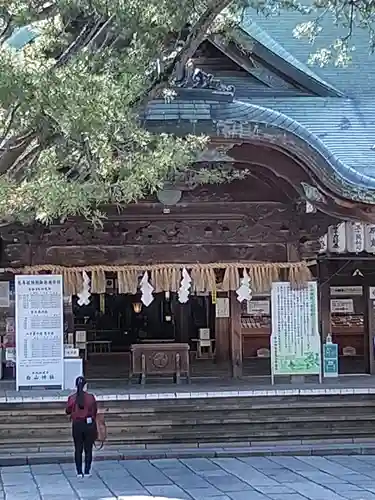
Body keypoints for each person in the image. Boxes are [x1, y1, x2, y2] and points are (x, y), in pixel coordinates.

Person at [66, 376, 97, 478]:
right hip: (88, 425)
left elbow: (67, 410)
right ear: (86, 386)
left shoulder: (72, 398)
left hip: (77, 425)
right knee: (88, 449)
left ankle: (79, 472)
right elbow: (94, 411)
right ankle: (87, 471)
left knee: (78, 449)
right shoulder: (91, 397)